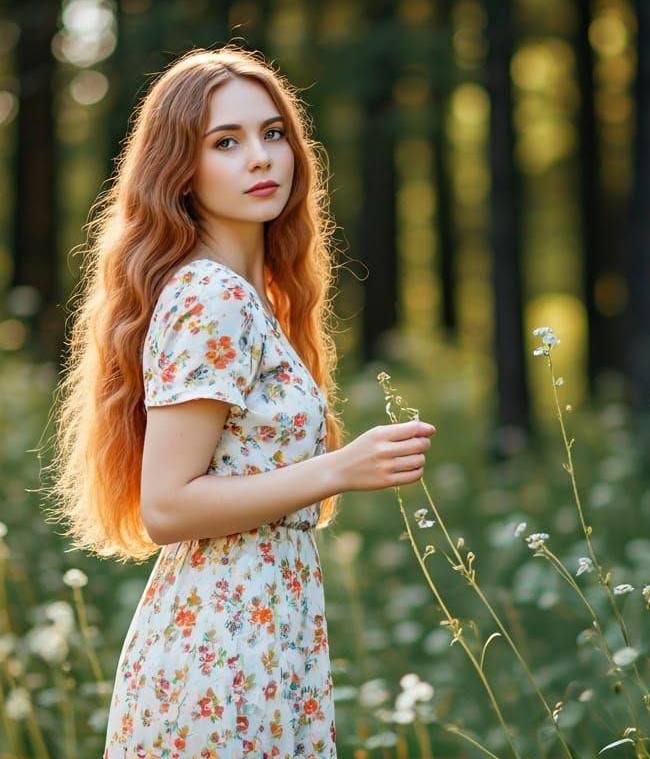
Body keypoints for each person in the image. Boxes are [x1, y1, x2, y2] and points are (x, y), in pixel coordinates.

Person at [44, 46, 437, 758]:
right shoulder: (211, 297)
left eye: (273, 133)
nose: (260, 157)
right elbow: (167, 507)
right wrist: (340, 469)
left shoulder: (251, 299)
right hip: (221, 659)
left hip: (261, 640)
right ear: (181, 171)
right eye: (225, 142)